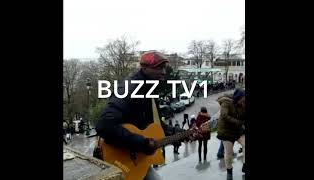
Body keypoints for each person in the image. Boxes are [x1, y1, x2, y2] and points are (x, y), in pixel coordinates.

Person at [95, 51, 201, 180]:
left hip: (138, 159)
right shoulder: (130, 88)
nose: (163, 72)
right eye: (158, 68)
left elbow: (156, 126)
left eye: (164, 68)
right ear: (144, 68)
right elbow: (104, 125)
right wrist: (144, 144)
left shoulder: (149, 90)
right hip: (121, 159)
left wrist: (182, 133)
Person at [217, 89, 246, 180]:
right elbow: (224, 116)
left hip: (238, 130)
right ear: (239, 98)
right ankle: (229, 171)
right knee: (228, 153)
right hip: (226, 131)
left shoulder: (243, 105)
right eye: (243, 99)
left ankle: (245, 165)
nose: (244, 100)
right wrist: (238, 122)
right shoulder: (226, 102)